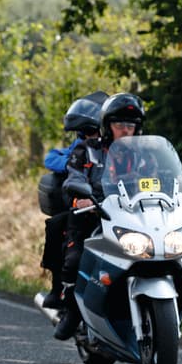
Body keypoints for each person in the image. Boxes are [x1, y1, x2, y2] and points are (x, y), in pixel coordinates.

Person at [53, 93, 145, 341]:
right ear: (107, 126)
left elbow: (165, 176)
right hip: (91, 217)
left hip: (133, 218)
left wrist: (180, 194)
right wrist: (82, 197)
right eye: (119, 125)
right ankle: (73, 312)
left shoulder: (144, 155)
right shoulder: (88, 151)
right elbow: (73, 179)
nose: (126, 130)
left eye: (130, 125)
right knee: (74, 260)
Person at [39, 93, 105, 309]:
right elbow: (51, 158)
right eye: (86, 132)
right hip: (85, 207)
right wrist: (73, 162)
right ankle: (59, 289)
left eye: (93, 131)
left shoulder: (119, 149)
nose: (90, 136)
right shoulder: (80, 149)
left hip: (120, 210)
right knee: (56, 226)